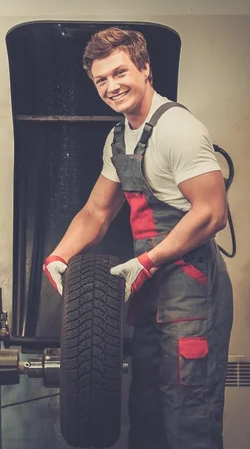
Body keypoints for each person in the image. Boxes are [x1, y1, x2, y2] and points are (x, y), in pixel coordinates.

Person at [42, 27, 233, 449]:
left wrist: (146, 262)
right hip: (150, 291)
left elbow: (211, 213)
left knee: (188, 411)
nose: (112, 87)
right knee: (145, 411)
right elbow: (97, 211)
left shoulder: (178, 129)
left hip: (191, 291)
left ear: (145, 69)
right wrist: (57, 257)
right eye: (101, 80)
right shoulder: (120, 136)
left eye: (120, 72)